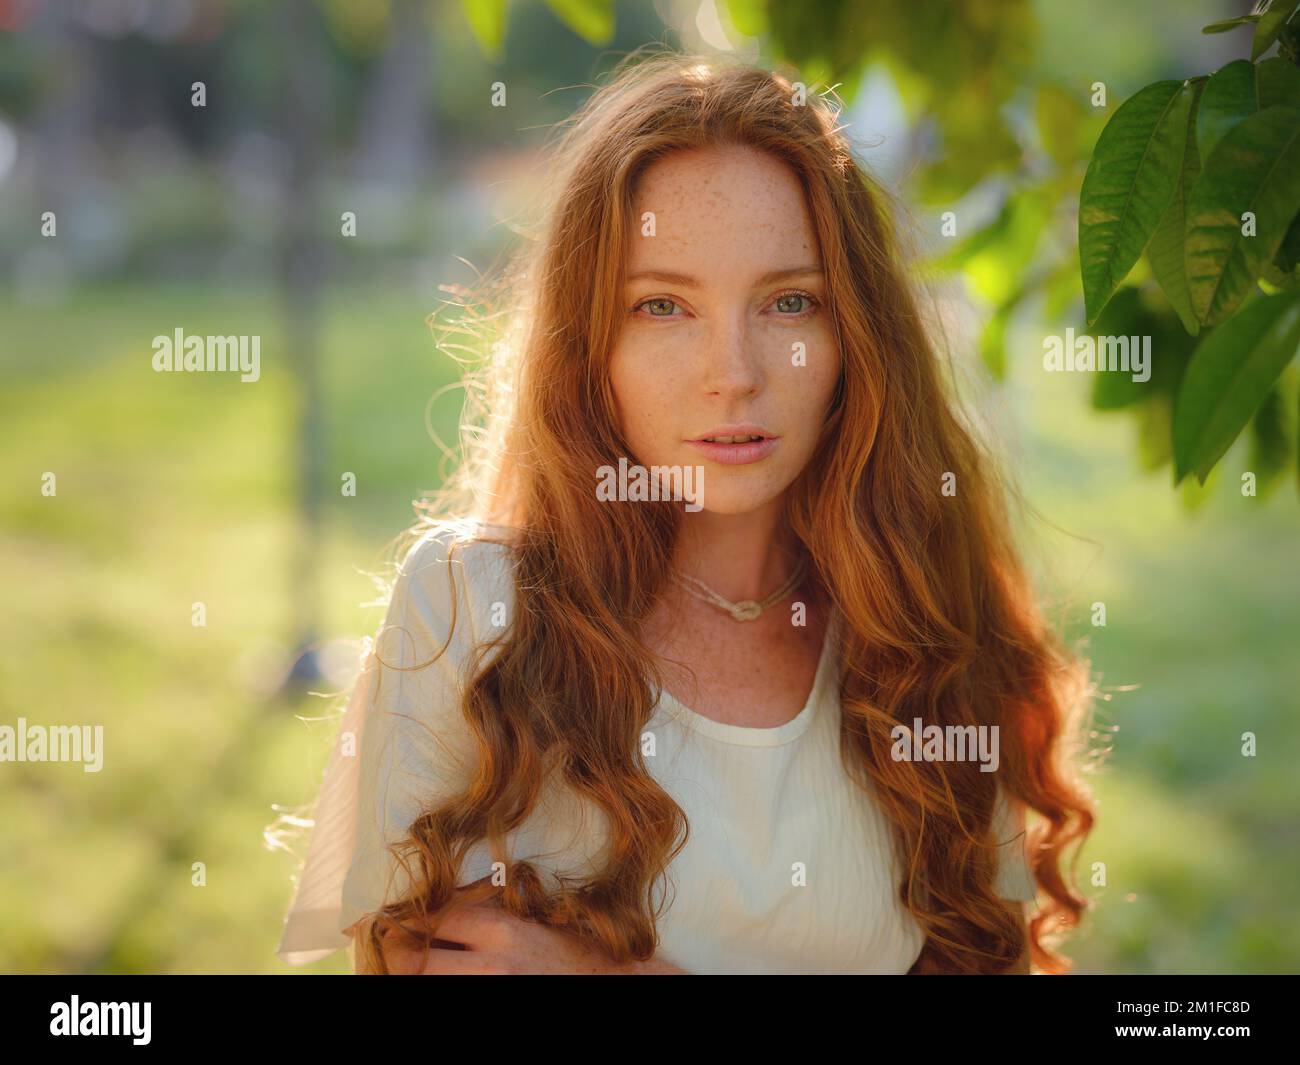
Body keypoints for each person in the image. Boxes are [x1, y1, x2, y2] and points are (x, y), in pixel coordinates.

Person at [274, 51, 1096, 975]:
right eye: (663, 306)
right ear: (591, 347)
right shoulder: (471, 610)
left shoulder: (929, 623)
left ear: (855, 339)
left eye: (790, 303)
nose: (734, 373)